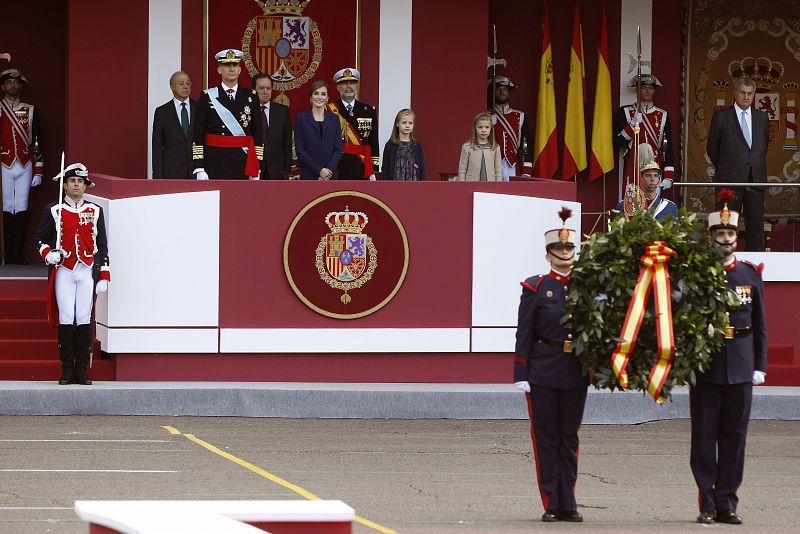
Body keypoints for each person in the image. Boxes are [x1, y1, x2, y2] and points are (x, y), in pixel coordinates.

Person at [690, 189, 767, 525]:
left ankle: (728, 503)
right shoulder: (696, 273)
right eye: (720, 233)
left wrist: (760, 365)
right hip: (706, 365)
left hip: (740, 364)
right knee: (705, 438)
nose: (725, 238)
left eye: (730, 233)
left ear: (737, 237)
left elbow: (761, 322)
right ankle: (707, 502)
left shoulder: (749, 274)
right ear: (711, 238)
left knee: (735, 439)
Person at [514, 207, 588, 523]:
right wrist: (521, 372)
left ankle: (568, 501)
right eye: (558, 249)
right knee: (546, 438)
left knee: (569, 438)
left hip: (575, 371)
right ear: (548, 255)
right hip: (543, 371)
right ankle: (550, 502)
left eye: (569, 247)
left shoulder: (587, 286)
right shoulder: (536, 287)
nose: (564, 253)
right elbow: (525, 332)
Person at [36, 163, 110, 386]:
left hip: (86, 269)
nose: (76, 185)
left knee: (84, 317)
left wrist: (105, 274)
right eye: (72, 181)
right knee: (67, 317)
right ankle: (66, 369)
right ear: (65, 186)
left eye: (80, 181)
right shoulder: (54, 210)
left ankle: (82, 371)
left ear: (86, 186)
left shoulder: (95, 211)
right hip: (64, 271)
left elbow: (103, 245)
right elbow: (40, 239)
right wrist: (48, 253)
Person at [707, 77, 769, 251]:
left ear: (754, 94)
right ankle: (723, 267)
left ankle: (755, 269)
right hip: (729, 181)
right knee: (725, 226)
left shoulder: (762, 117)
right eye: (743, 93)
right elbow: (712, 149)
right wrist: (730, 166)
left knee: (755, 228)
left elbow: (762, 146)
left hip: (755, 180)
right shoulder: (721, 117)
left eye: (750, 93)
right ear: (735, 94)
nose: (746, 97)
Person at [192, 49, 264, 180]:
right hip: (214, 161)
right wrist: (199, 167)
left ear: (240, 70)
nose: (232, 69)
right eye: (226, 65)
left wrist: (257, 165)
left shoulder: (251, 96)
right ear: (219, 69)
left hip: (243, 161)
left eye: (235, 65)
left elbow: (258, 134)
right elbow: (197, 134)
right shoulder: (207, 96)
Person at [1, 68, 43, 264]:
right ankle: (5, 254)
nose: (13, 85)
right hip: (3, 164)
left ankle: (17, 254)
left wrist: (39, 170)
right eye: (9, 82)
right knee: (6, 208)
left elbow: (37, 141)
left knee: (22, 209)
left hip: (25, 164)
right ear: (3, 86)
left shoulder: (30, 110)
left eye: (16, 82)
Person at [613, 72, 675, 189]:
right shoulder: (626, 112)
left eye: (650, 88)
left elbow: (668, 147)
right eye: (644, 88)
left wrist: (668, 176)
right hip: (633, 164)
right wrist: (631, 125)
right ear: (637, 90)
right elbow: (617, 142)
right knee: (633, 202)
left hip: (655, 166)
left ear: (654, 91)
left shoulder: (663, 115)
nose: (647, 91)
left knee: (653, 204)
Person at [327, 68, 379, 180]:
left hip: (363, 166)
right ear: (337, 87)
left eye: (352, 83)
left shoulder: (369, 110)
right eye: (344, 83)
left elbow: (374, 140)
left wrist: (374, 168)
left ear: (356, 86)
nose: (349, 86)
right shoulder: (329, 110)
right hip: (338, 166)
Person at [613, 144, 678, 220]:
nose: (653, 179)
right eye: (648, 175)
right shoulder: (624, 205)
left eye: (656, 175)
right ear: (641, 178)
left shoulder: (670, 207)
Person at [294, 80, 342, 181]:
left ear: (327, 98)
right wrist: (320, 170)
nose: (319, 97)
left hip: (330, 175)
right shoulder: (301, 118)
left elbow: (338, 150)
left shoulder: (334, 119)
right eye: (316, 93)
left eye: (323, 94)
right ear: (310, 98)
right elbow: (300, 150)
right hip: (308, 174)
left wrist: (327, 171)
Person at [152, 71, 196, 179]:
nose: (185, 87)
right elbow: (157, 147)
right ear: (172, 87)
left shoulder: (200, 108)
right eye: (181, 84)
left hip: (197, 171)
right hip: (172, 172)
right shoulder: (162, 112)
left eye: (188, 83)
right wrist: (158, 177)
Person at [488, 75, 533, 180]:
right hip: (491, 165)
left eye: (504, 89)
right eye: (498, 89)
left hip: (512, 165)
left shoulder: (519, 116)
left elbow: (526, 145)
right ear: (492, 92)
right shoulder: (486, 116)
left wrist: (526, 172)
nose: (501, 92)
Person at [252, 73, 292, 180]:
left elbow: (287, 142)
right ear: (254, 90)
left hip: (276, 170)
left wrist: (287, 170)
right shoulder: (247, 110)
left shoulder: (283, 111)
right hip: (252, 167)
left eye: (268, 88)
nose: (265, 91)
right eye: (261, 88)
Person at [381, 108, 425, 181]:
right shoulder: (390, 145)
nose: (407, 126)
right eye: (404, 122)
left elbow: (422, 168)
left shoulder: (417, 145)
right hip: (394, 185)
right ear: (397, 124)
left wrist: (423, 185)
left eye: (410, 123)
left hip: (414, 185)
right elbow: (385, 168)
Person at [457, 112, 502, 181]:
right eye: (480, 127)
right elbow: (462, 170)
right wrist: (462, 186)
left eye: (487, 127)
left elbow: (498, 171)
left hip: (490, 186)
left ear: (491, 129)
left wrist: (498, 187)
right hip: (470, 185)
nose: (483, 130)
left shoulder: (495, 147)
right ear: (475, 128)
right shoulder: (467, 147)